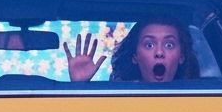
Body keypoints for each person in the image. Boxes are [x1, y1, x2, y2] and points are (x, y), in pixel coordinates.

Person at [64, 16, 199, 84]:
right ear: (135, 57)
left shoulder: (206, 100)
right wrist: (79, 86)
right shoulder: (114, 101)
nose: (159, 53)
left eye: (169, 45)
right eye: (149, 45)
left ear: (181, 56)